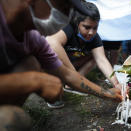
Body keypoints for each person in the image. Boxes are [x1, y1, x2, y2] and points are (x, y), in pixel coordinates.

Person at [0, 0, 123, 129]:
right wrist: (35, 80)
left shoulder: (33, 40)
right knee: (14, 117)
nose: (66, 15)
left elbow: (68, 75)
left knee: (30, 64)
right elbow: (53, 44)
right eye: (63, 6)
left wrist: (108, 93)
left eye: (69, 10)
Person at [46, 1, 122, 90]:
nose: (91, 32)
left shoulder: (95, 38)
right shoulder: (68, 28)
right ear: (77, 23)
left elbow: (102, 60)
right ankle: (72, 81)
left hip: (74, 62)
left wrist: (116, 84)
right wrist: (73, 74)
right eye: (87, 27)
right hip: (53, 65)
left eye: (95, 28)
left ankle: (73, 83)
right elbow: (52, 43)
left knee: (94, 57)